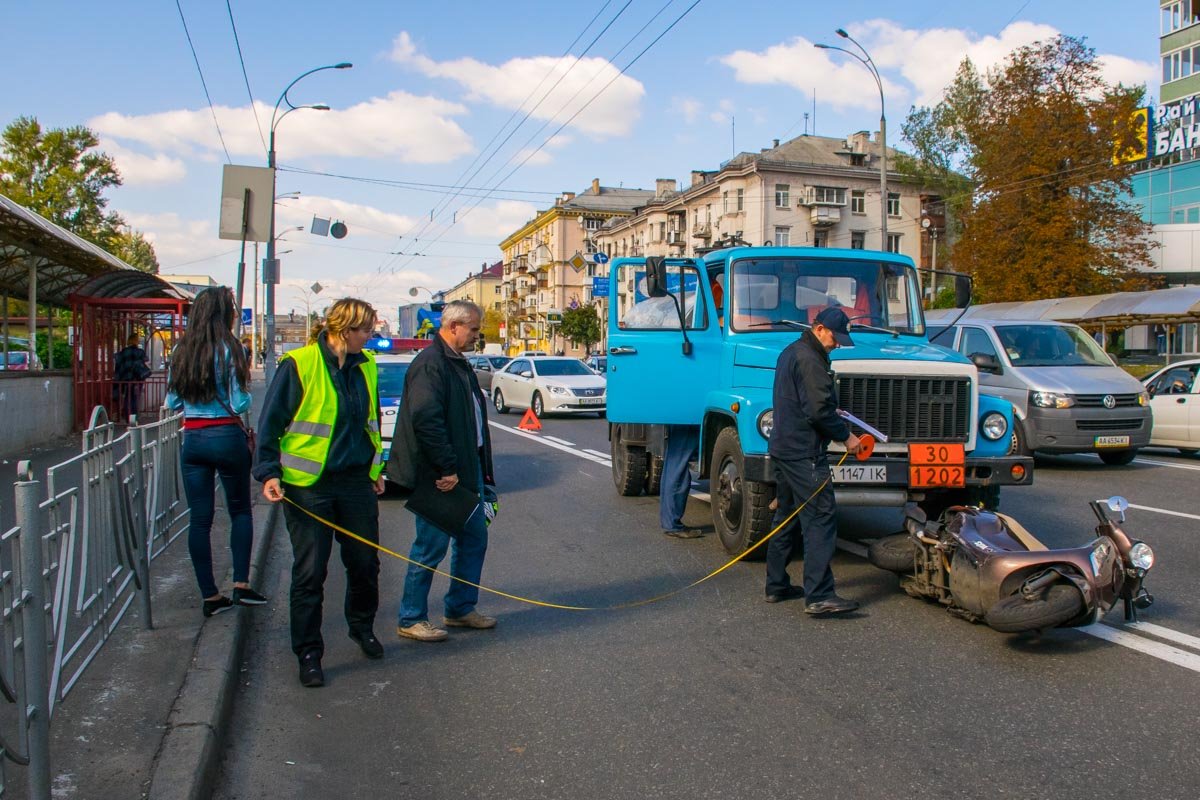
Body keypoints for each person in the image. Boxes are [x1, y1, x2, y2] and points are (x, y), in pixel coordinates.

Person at [255, 298, 386, 688]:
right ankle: (309, 653)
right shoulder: (299, 364)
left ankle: (361, 627)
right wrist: (267, 472)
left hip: (355, 482)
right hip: (308, 485)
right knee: (311, 573)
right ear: (345, 330)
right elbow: (270, 423)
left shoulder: (367, 366)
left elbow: (371, 421)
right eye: (366, 330)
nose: (371, 336)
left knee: (365, 564)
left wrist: (375, 470)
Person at [392, 300, 497, 643]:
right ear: (454, 326)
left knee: (473, 541)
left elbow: (470, 419)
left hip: (467, 471)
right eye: (475, 329)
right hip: (442, 476)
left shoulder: (456, 362)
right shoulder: (431, 364)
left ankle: (460, 609)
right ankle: (411, 617)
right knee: (430, 547)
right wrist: (446, 466)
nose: (477, 336)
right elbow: (427, 420)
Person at [165, 288, 265, 619]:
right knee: (239, 511)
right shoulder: (231, 348)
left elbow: (172, 403)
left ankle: (209, 595)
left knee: (200, 519)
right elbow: (239, 403)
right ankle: (240, 585)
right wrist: (247, 397)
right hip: (226, 436)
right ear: (225, 314)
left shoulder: (182, 349)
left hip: (193, 440)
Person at [765, 306, 862, 615]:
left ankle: (776, 584)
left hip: (784, 447)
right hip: (804, 452)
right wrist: (846, 437)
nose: (837, 343)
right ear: (819, 329)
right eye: (835, 337)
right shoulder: (811, 360)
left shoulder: (792, 352)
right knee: (820, 517)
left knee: (787, 515)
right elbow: (818, 410)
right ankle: (819, 595)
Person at [661, 425, 702, 539]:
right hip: (688, 418)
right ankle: (672, 524)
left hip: (680, 417)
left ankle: (670, 522)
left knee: (674, 462)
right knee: (678, 467)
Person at [114, 333, 151, 421]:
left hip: (126, 379)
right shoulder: (140, 352)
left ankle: (127, 416)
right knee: (135, 398)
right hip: (138, 379)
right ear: (136, 341)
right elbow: (146, 361)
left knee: (128, 397)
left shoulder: (124, 351)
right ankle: (134, 417)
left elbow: (118, 362)